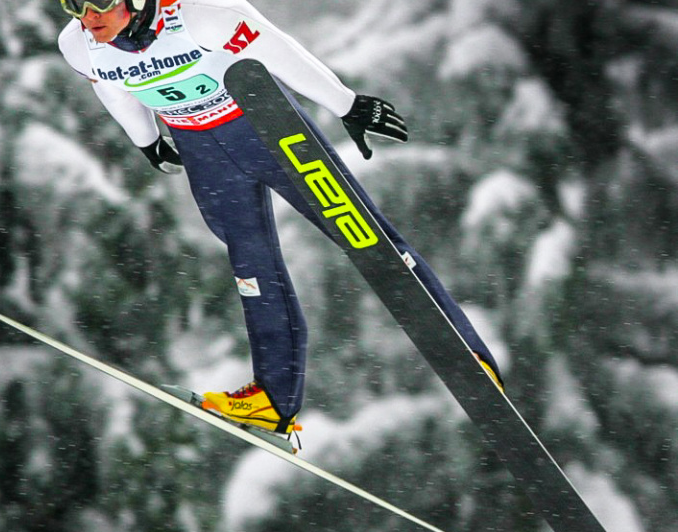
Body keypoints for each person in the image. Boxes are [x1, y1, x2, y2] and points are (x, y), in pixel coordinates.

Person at [56, 0, 503, 435]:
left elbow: (279, 50)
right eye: (73, 5)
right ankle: (273, 400)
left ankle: (467, 352)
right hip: (203, 149)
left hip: (262, 129)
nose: (87, 18)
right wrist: (147, 139)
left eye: (98, 3)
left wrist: (348, 104)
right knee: (251, 269)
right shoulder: (78, 43)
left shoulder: (202, 16)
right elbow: (110, 84)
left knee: (363, 234)